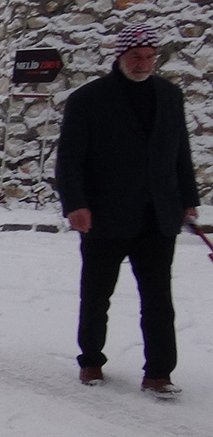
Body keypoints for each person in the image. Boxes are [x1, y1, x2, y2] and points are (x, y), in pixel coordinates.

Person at [55, 22, 200, 397]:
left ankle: (159, 373)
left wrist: (188, 200)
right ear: (120, 56)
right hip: (104, 214)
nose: (143, 63)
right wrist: (75, 205)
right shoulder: (89, 99)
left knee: (158, 300)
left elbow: (180, 151)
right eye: (136, 56)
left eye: (150, 57)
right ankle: (91, 361)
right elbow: (69, 159)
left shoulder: (170, 95)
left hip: (158, 215)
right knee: (97, 295)